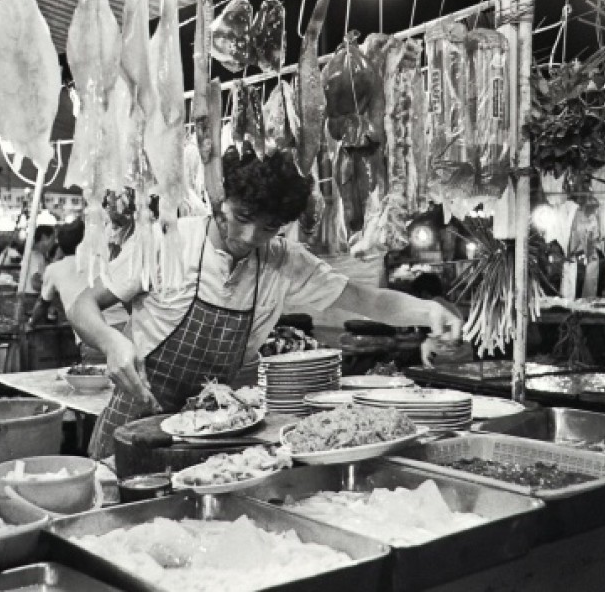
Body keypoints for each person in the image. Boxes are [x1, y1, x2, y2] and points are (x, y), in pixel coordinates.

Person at [69, 150, 465, 458]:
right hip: (136, 423)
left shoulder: (282, 260)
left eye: (268, 227)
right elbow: (83, 305)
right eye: (241, 217)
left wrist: (428, 312)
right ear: (218, 198)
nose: (249, 236)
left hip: (216, 428)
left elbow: (365, 299)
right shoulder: (167, 241)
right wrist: (110, 342)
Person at [29, 219, 128, 361]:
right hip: (126, 329)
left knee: (97, 381)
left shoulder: (54, 269)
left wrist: (31, 323)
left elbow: (42, 304)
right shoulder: (103, 260)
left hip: (94, 336)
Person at [23, 225, 55, 294]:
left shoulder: (41, 255)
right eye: (53, 239)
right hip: (31, 297)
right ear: (44, 237)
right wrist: (55, 289)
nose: (54, 242)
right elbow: (35, 284)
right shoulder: (35, 256)